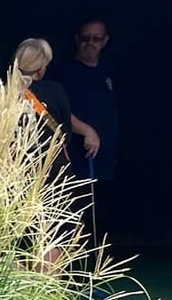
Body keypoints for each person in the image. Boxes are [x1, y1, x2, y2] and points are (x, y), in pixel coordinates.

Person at [10, 38, 99, 178]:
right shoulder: (54, 91)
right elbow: (65, 132)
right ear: (40, 69)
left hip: (14, 171)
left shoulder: (2, 91)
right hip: (51, 171)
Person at [56, 19, 118, 183]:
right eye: (85, 38)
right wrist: (86, 131)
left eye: (96, 38)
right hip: (78, 154)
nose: (90, 42)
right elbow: (57, 111)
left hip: (106, 158)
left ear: (105, 41)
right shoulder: (64, 73)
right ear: (77, 39)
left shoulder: (109, 70)